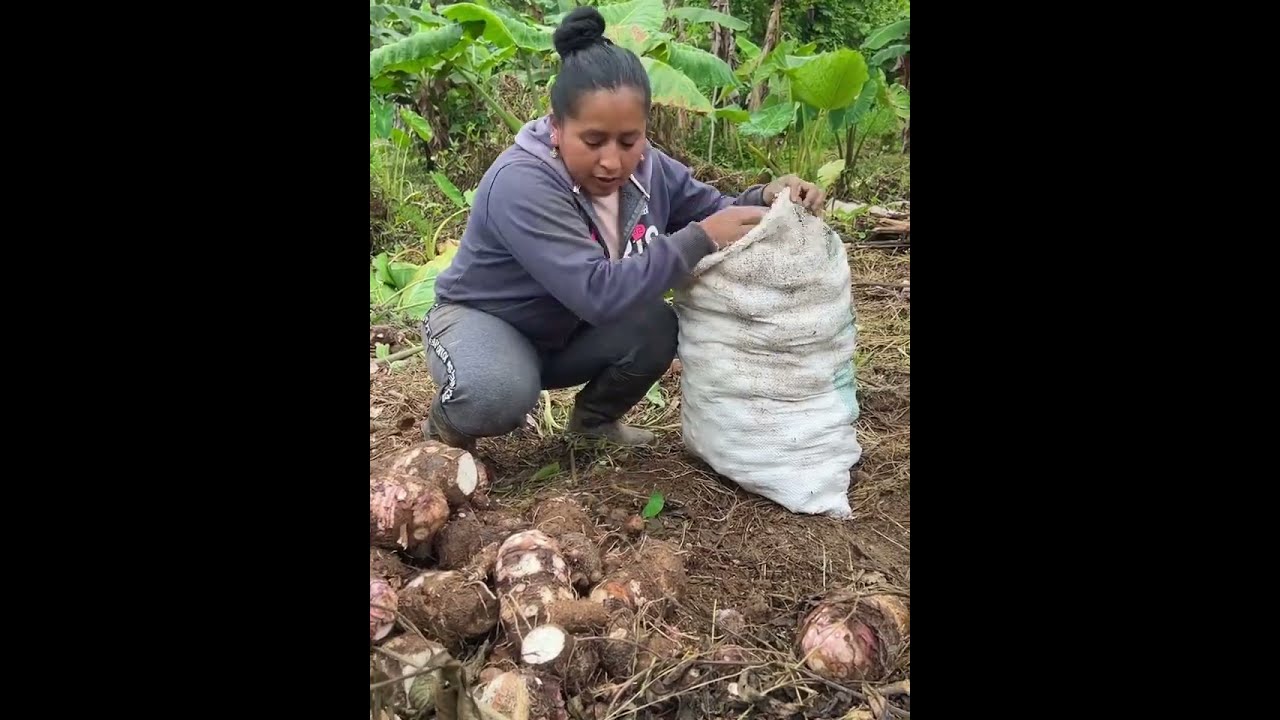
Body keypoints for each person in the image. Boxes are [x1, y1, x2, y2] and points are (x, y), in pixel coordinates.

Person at [421, 6, 826, 452]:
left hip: (565, 330)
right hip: (489, 322)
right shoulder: (522, 183)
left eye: (629, 140)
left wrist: (765, 198)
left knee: (655, 325)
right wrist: (702, 236)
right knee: (494, 394)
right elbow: (599, 292)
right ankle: (447, 426)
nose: (612, 161)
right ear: (556, 129)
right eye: (593, 142)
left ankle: (593, 424)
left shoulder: (648, 166)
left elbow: (714, 209)